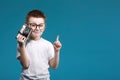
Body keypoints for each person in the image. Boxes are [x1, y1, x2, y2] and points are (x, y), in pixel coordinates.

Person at [16, 9, 62, 80]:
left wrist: (56, 51)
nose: (37, 28)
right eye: (33, 25)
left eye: (40, 25)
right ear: (26, 26)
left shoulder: (48, 44)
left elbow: (53, 66)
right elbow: (25, 65)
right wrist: (22, 45)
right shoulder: (21, 44)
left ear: (44, 27)